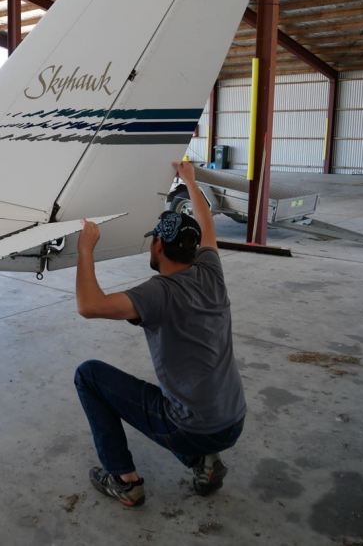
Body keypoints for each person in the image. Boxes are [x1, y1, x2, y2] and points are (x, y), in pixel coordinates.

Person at [73, 160, 246, 508]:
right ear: (193, 249)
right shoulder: (210, 271)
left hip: (194, 427)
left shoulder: (158, 293)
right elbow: (207, 222)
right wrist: (190, 181)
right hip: (233, 419)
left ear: (158, 247)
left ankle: (125, 481)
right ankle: (203, 461)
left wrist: (85, 248)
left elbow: (89, 305)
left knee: (89, 376)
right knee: (169, 401)